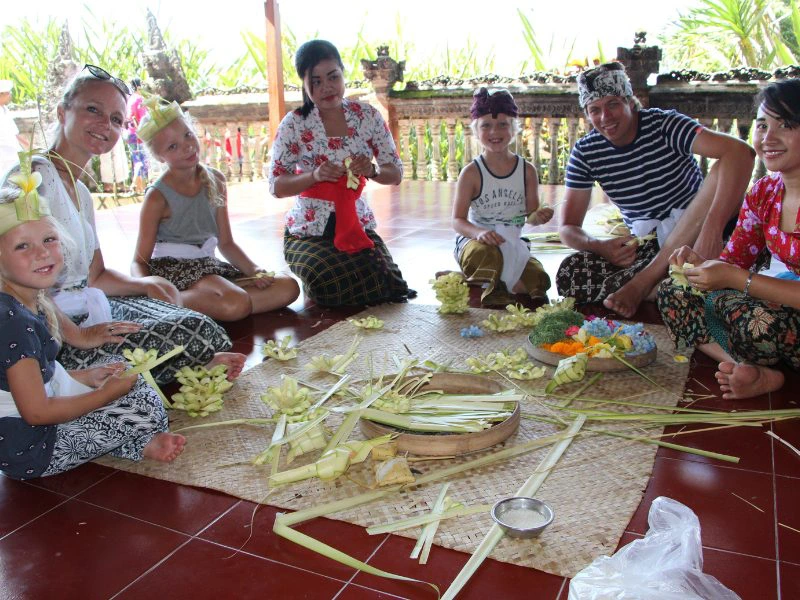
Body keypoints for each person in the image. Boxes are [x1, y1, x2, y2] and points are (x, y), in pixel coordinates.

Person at [0, 65, 236, 385]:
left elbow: (95, 276)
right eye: (93, 110)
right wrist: (79, 335)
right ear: (62, 112)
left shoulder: (82, 192)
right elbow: (16, 285)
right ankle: (68, 380)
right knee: (201, 337)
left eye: (115, 119)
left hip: (88, 307)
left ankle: (156, 375)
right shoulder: (33, 178)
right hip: (48, 330)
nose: (104, 125)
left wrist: (147, 284)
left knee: (202, 327)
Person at [0, 168, 185, 480]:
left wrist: (85, 376)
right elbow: (36, 412)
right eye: (23, 246)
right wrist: (106, 395)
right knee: (144, 406)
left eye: (48, 239)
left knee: (118, 370)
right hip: (31, 450)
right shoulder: (14, 323)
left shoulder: (26, 300)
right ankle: (133, 444)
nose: (42, 252)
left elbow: (29, 380)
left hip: (28, 428)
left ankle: (128, 440)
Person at [556, 62, 755, 318]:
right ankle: (669, 286)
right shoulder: (586, 152)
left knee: (719, 171)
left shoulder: (665, 124)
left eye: (613, 104)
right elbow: (567, 229)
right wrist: (600, 247)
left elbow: (742, 152)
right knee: (571, 272)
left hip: (699, 236)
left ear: (629, 101)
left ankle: (645, 284)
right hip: (648, 246)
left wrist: (712, 230)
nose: (605, 118)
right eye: (595, 110)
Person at [656, 78, 800, 400]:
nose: (768, 138)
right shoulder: (764, 192)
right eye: (762, 126)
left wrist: (737, 279)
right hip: (766, 304)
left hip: (778, 317)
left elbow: (737, 275)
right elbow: (734, 261)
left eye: (786, 125)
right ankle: (748, 368)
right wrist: (699, 266)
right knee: (674, 292)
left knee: (758, 325)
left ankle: (758, 362)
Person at [269, 39, 415, 306]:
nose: (327, 87)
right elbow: (277, 186)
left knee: (387, 283)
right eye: (316, 81)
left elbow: (394, 173)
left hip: (355, 222)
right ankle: (318, 276)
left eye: (333, 77)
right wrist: (314, 176)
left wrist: (371, 170)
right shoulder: (294, 124)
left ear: (343, 73)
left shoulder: (367, 116)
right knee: (330, 283)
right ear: (304, 83)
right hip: (309, 228)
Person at [132, 95, 300, 321]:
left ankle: (210, 306)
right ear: (159, 156)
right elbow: (139, 261)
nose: (187, 146)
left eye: (188, 135)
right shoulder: (157, 197)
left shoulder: (216, 180)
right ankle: (174, 302)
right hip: (175, 271)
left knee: (288, 287)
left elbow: (226, 243)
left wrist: (254, 270)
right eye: (173, 146)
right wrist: (149, 289)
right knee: (236, 301)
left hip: (208, 267)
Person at [451, 87, 552, 306]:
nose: (494, 132)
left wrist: (539, 216)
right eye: (486, 125)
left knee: (538, 277)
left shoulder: (527, 171)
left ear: (514, 128)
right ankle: (492, 288)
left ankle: (474, 282)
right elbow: (457, 221)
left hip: (512, 242)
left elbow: (530, 217)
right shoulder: (471, 173)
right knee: (489, 257)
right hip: (477, 244)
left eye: (502, 124)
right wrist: (479, 233)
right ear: (476, 131)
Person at [0, 79, 30, 176]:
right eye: (8, 93)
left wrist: (28, 145)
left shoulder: (5, 110)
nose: (10, 96)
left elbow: (14, 133)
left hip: (13, 154)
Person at [126, 78, 149, 194]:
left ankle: (139, 187)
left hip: (130, 133)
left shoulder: (130, 99)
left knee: (136, 159)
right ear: (139, 87)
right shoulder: (140, 100)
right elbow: (142, 119)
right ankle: (136, 184)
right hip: (138, 133)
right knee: (141, 160)